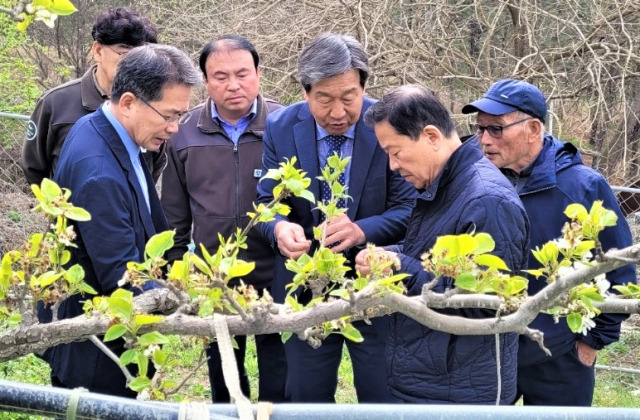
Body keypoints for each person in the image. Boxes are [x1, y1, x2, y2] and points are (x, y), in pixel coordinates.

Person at [256, 32, 416, 403]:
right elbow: (266, 202)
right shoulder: (281, 128)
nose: (338, 113)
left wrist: (362, 229)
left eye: (349, 98)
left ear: (363, 87)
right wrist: (279, 227)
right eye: (324, 100)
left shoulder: (388, 125)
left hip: (374, 281)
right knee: (307, 396)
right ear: (306, 91)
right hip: (304, 287)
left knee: (382, 395)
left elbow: (409, 210)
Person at [462, 78, 636, 406]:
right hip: (490, 350)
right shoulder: (476, 180)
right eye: (480, 128)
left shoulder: (583, 187)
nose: (484, 139)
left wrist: (591, 343)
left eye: (496, 129)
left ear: (533, 128)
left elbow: (620, 272)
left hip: (560, 357)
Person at [40, 44, 200, 397]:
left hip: (103, 341)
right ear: (128, 102)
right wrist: (189, 299)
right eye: (169, 115)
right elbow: (122, 278)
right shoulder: (99, 173)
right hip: (99, 354)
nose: (175, 128)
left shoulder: (105, 128)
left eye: (182, 116)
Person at [356, 84, 530, 404]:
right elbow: (432, 256)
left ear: (432, 137)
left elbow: (485, 305)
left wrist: (399, 267)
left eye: (395, 152)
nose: (393, 166)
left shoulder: (487, 200)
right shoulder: (445, 185)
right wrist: (390, 254)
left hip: (459, 396)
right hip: (431, 383)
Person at [160, 35, 287, 403]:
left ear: (258, 73)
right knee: (224, 368)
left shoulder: (283, 124)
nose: (234, 85)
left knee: (278, 365)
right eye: (220, 76)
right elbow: (175, 214)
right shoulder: (181, 133)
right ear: (205, 80)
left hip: (274, 270)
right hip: (215, 273)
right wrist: (174, 268)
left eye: (243, 73)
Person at [22, 7, 166, 186]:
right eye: (126, 54)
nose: (136, 65)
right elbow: (34, 169)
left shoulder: (154, 107)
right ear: (98, 51)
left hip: (129, 213)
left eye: (142, 56)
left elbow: (154, 168)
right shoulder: (56, 103)